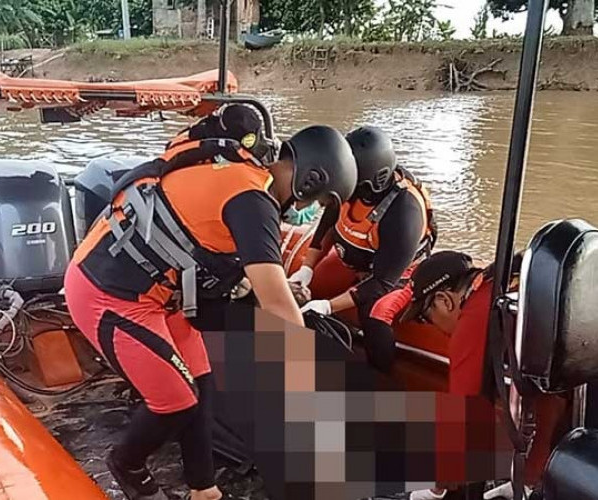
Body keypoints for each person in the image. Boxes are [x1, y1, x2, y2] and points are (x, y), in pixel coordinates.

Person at [64, 124, 357, 500]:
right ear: (312, 180)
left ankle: (204, 489)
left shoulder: (245, 176)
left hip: (158, 295)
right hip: (107, 292)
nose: (308, 209)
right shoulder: (252, 201)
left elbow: (246, 272)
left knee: (201, 383)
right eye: (317, 200)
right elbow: (278, 304)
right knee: (176, 399)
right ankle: (128, 465)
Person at [393, 251, 571, 499]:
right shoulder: (503, 283)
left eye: (426, 317)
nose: (430, 325)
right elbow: (553, 396)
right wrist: (528, 478)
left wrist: (435, 490)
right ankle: (531, 481)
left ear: (445, 300)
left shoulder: (475, 318)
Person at [293, 125, 436, 329]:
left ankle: (377, 360)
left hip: (395, 273)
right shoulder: (346, 189)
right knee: (313, 286)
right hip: (355, 260)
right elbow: (328, 226)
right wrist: (307, 268)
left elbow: (382, 282)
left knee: (373, 315)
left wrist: (328, 306)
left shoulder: (404, 211)